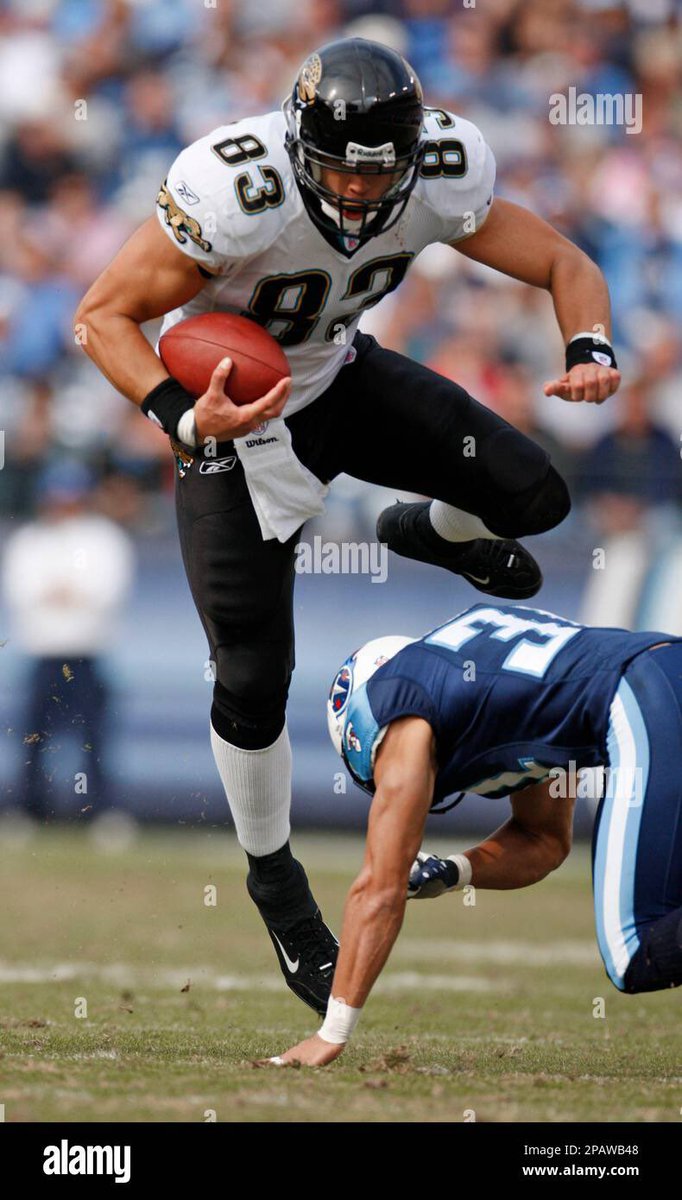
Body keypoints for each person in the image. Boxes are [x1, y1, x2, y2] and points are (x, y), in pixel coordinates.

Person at [74, 38, 620, 1017]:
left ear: (413, 155)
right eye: (336, 170)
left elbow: (563, 261)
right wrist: (183, 417)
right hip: (237, 422)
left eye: (379, 176)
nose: (360, 197)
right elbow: (103, 316)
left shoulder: (446, 169)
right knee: (250, 674)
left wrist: (588, 342)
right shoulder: (233, 183)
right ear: (296, 147)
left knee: (535, 496)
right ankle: (275, 882)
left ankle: (434, 530)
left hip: (339, 376)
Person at [268, 603, 682, 1066]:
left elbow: (379, 889)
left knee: (634, 950)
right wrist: (455, 871)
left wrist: (333, 1031)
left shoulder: (400, 706)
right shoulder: (476, 677)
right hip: (663, 670)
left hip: (644, 699)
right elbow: (543, 839)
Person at [2, 460, 134, 820]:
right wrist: (71, 593)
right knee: (33, 737)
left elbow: (106, 590)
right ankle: (28, 809)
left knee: (95, 737)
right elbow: (23, 590)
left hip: (87, 654)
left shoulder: (104, 539)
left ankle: (101, 811)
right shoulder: (30, 540)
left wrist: (63, 592)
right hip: (44, 654)